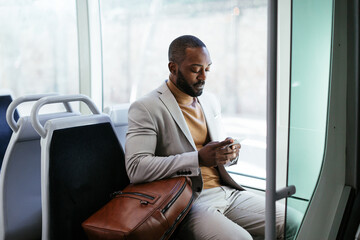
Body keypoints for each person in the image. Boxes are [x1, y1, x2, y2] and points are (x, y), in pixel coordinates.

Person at [125, 35, 287, 239]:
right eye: (195, 69)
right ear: (173, 68)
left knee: (291, 222)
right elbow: (136, 168)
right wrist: (198, 158)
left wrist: (228, 154)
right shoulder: (146, 107)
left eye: (207, 68)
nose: (204, 76)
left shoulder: (210, 101)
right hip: (189, 201)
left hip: (227, 191)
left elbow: (213, 153)